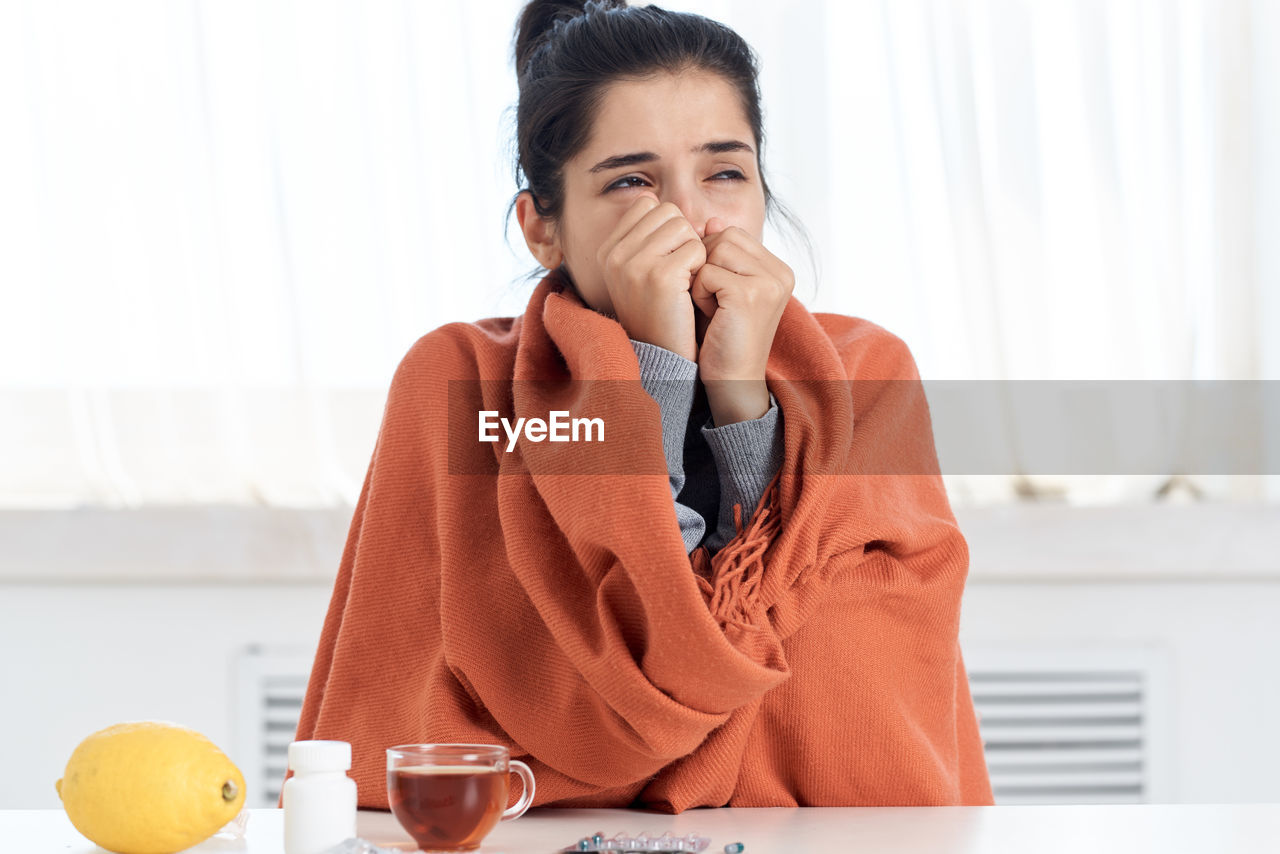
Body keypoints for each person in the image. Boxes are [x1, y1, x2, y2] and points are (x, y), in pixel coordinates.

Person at [292, 0, 994, 812]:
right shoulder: (458, 382)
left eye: (725, 172)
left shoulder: (868, 375)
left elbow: (866, 701)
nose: (691, 218)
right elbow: (526, 731)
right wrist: (654, 373)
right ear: (541, 230)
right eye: (632, 181)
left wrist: (740, 401)